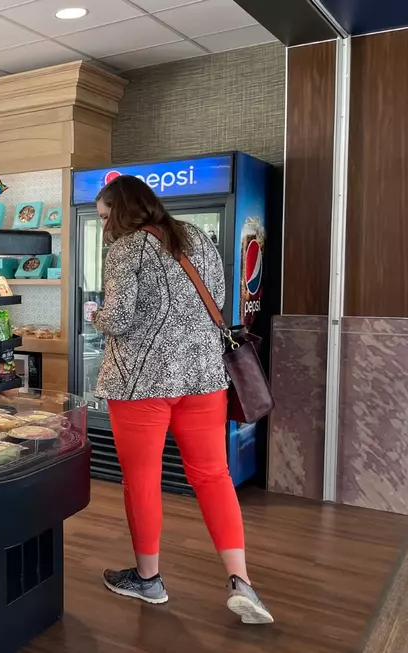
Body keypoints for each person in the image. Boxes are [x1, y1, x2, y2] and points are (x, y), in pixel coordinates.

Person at [91, 175, 273, 625]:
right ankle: (242, 581)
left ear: (121, 209)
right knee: (213, 476)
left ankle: (149, 580)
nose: (104, 224)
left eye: (104, 215)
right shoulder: (195, 236)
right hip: (204, 379)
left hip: (142, 385)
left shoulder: (126, 248)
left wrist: (94, 313)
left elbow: (118, 318)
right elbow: (222, 298)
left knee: (143, 478)